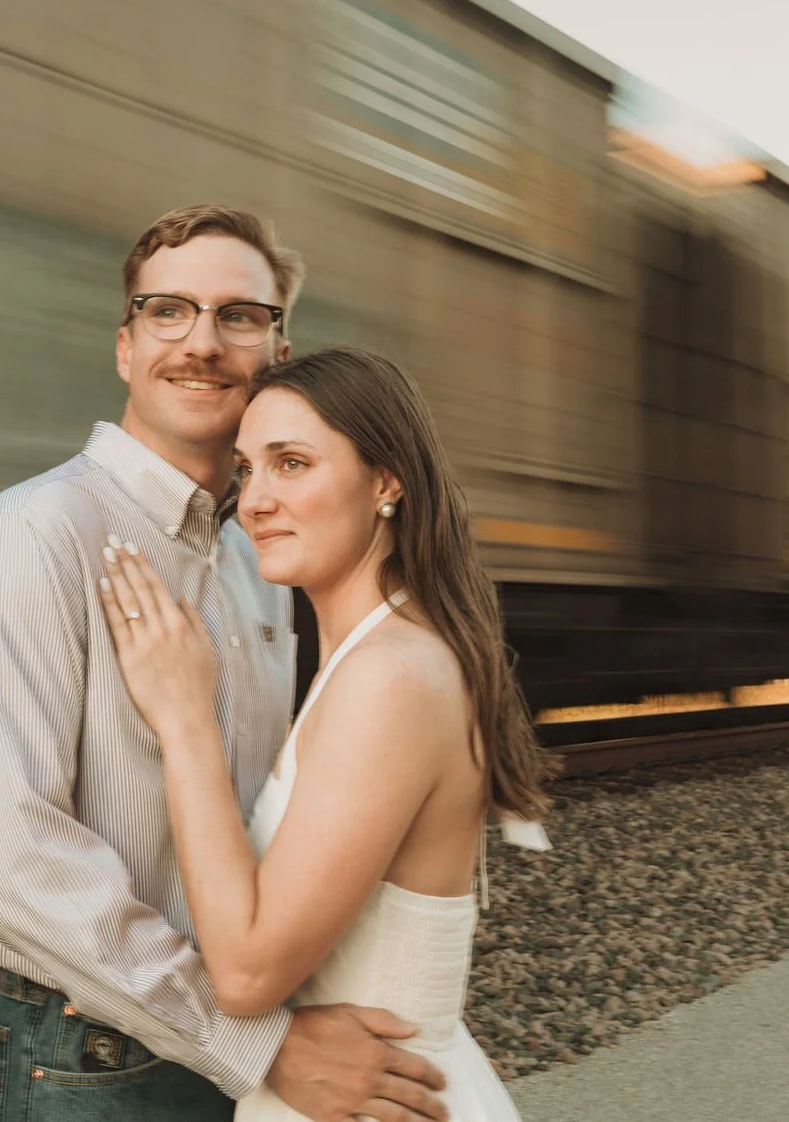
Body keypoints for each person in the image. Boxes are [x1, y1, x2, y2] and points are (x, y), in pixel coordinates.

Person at [0, 207, 454, 1121]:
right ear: (126, 346)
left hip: (246, 1053)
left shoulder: (263, 557)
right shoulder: (33, 536)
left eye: (239, 316)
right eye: (169, 311)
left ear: (278, 352)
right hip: (102, 1066)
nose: (202, 342)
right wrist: (257, 1041)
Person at [93, 346, 555, 1121]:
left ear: (386, 480)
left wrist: (185, 720)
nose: (254, 501)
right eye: (248, 469)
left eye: (293, 463)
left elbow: (246, 974)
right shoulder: (376, 656)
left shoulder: (391, 677)